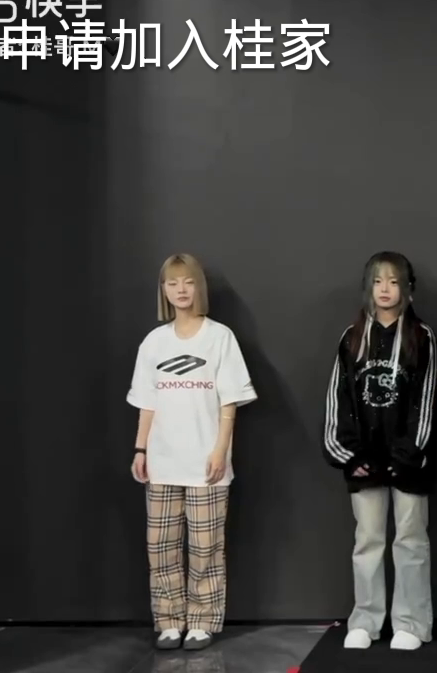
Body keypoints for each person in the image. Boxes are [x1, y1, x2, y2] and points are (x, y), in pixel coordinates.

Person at [127, 253, 258, 651]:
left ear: (198, 287)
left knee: (205, 547)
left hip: (206, 462)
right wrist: (140, 448)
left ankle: (201, 620)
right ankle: (169, 620)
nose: (180, 290)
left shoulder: (219, 337)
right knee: (161, 546)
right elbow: (147, 401)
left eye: (187, 282)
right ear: (164, 290)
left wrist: (221, 449)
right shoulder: (154, 341)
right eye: (172, 283)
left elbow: (229, 400)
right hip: (162, 461)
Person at [322, 252, 437, 652]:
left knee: (410, 540)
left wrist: (407, 454)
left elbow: (427, 401)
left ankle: (411, 622)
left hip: (409, 462)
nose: (385, 289)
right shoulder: (352, 338)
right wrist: (351, 457)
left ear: (408, 288)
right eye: (377, 282)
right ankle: (366, 620)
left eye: (393, 281)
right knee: (368, 541)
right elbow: (338, 399)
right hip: (365, 462)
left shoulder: (421, 337)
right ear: (368, 288)